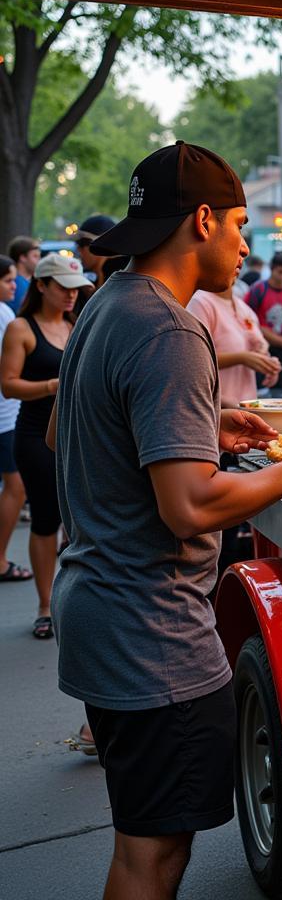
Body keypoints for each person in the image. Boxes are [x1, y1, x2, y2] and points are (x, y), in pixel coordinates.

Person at [49, 140, 282, 900]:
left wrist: (201, 425)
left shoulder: (105, 304)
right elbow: (187, 507)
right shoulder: (174, 331)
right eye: (241, 223)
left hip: (100, 614)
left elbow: (70, 432)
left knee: (138, 847)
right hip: (151, 637)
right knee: (155, 859)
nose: (248, 244)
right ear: (204, 220)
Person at [0, 253, 90, 638]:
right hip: (35, 436)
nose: (71, 296)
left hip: (75, 436)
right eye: (63, 288)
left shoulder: (75, 323)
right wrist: (54, 385)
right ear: (40, 286)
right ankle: (44, 606)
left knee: (77, 521)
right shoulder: (21, 327)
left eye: (76, 289)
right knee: (45, 520)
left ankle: (71, 600)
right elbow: (8, 384)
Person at [187, 279, 280, 408]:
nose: (240, 260)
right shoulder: (200, 303)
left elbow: (258, 347)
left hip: (247, 406)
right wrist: (242, 358)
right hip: (217, 408)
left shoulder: (244, 308)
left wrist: (268, 364)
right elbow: (195, 361)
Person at [0, 254, 29, 584]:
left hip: (7, 417)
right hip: (6, 419)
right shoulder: (6, 316)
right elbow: (9, 380)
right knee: (15, 487)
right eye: (8, 280)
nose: (13, 286)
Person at [244, 252, 282, 395]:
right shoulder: (258, 289)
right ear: (272, 269)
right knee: (261, 392)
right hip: (262, 349)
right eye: (280, 272)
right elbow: (247, 320)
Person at [75, 215, 118, 288]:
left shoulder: (120, 281)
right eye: (77, 243)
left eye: (83, 243)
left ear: (103, 244)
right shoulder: (86, 282)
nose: (78, 248)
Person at [7, 236, 41, 314]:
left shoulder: (27, 281)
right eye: (35, 256)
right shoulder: (15, 284)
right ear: (23, 258)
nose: (39, 260)